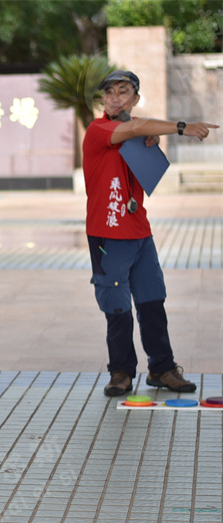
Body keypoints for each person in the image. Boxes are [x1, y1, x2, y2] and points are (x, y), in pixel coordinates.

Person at [82, 70, 217, 397]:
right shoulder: (98, 130)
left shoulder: (140, 132)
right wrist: (182, 127)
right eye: (109, 93)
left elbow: (138, 130)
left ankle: (162, 369)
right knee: (117, 308)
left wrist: (152, 138)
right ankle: (121, 372)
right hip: (108, 237)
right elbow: (134, 128)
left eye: (123, 92)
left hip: (141, 234)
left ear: (135, 98)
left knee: (152, 302)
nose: (115, 98)